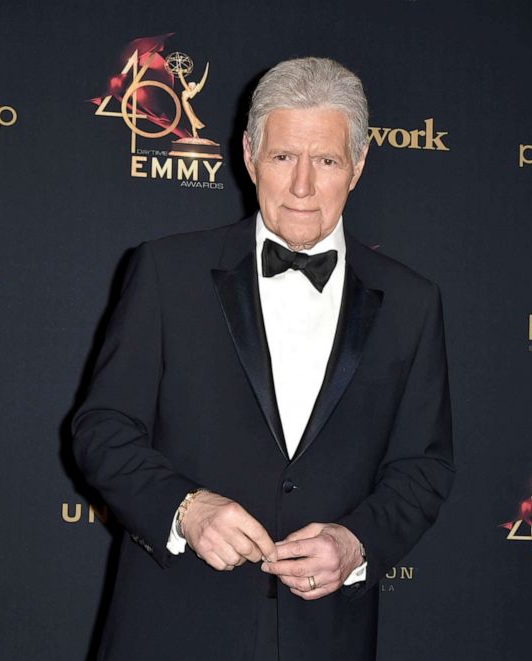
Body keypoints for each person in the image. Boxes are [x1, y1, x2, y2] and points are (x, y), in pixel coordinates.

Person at [72, 56, 454, 661]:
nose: (302, 185)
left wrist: (356, 543)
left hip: (325, 637)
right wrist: (184, 508)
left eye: (325, 161)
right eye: (282, 158)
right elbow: (102, 429)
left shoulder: (413, 302)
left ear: (357, 165)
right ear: (249, 156)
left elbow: (422, 469)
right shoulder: (167, 273)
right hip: (171, 628)